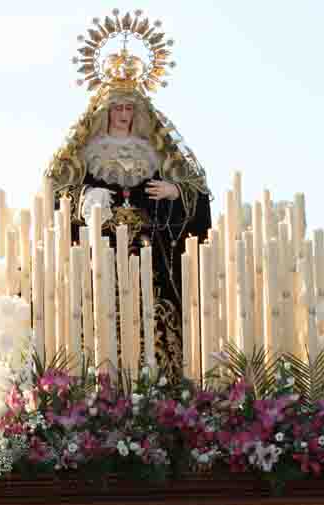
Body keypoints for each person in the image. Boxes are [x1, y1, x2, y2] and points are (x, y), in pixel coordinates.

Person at [45, 78, 211, 373]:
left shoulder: (157, 153)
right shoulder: (82, 155)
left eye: (129, 109)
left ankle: (159, 382)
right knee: (99, 313)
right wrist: (84, 195)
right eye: (117, 107)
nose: (123, 114)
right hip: (100, 254)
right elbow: (53, 193)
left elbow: (198, 194)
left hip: (149, 255)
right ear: (104, 113)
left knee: (154, 314)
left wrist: (175, 192)